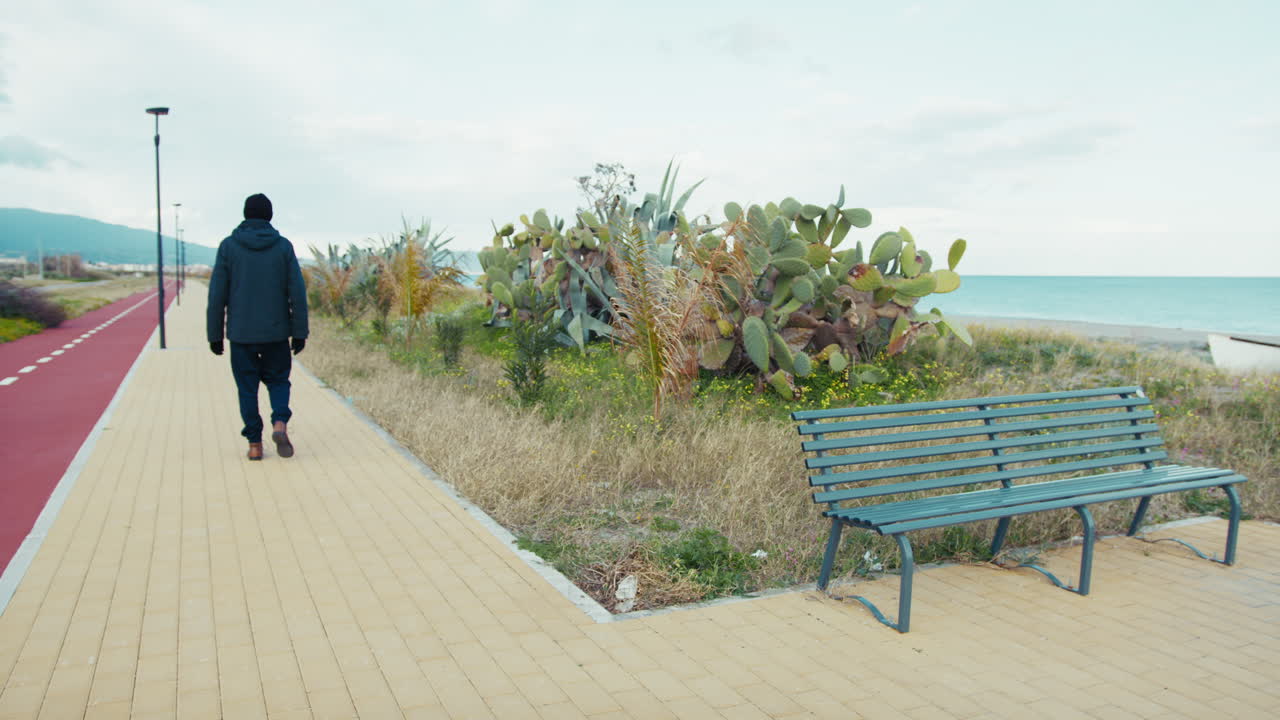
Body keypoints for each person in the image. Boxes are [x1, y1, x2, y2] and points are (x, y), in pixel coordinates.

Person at [207, 193, 309, 461]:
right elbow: (297, 292)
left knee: (247, 388)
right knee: (278, 380)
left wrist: (214, 335)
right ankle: (279, 424)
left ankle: (254, 444)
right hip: (276, 332)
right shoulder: (283, 247)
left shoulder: (228, 247)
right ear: (270, 216)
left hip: (241, 334)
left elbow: (217, 294)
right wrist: (300, 332)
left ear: (245, 215)